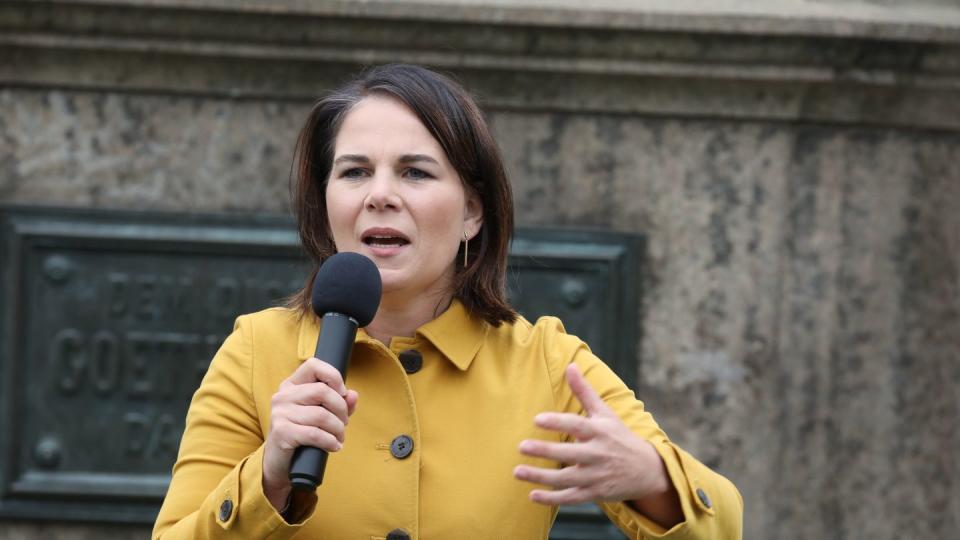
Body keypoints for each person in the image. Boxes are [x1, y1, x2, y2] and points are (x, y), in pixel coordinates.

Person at [153, 63, 742, 539]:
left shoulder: (543, 361)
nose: (380, 195)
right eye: (355, 172)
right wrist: (270, 476)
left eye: (414, 173)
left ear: (472, 211)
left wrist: (650, 478)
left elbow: (723, 522)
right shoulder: (258, 350)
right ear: (326, 202)